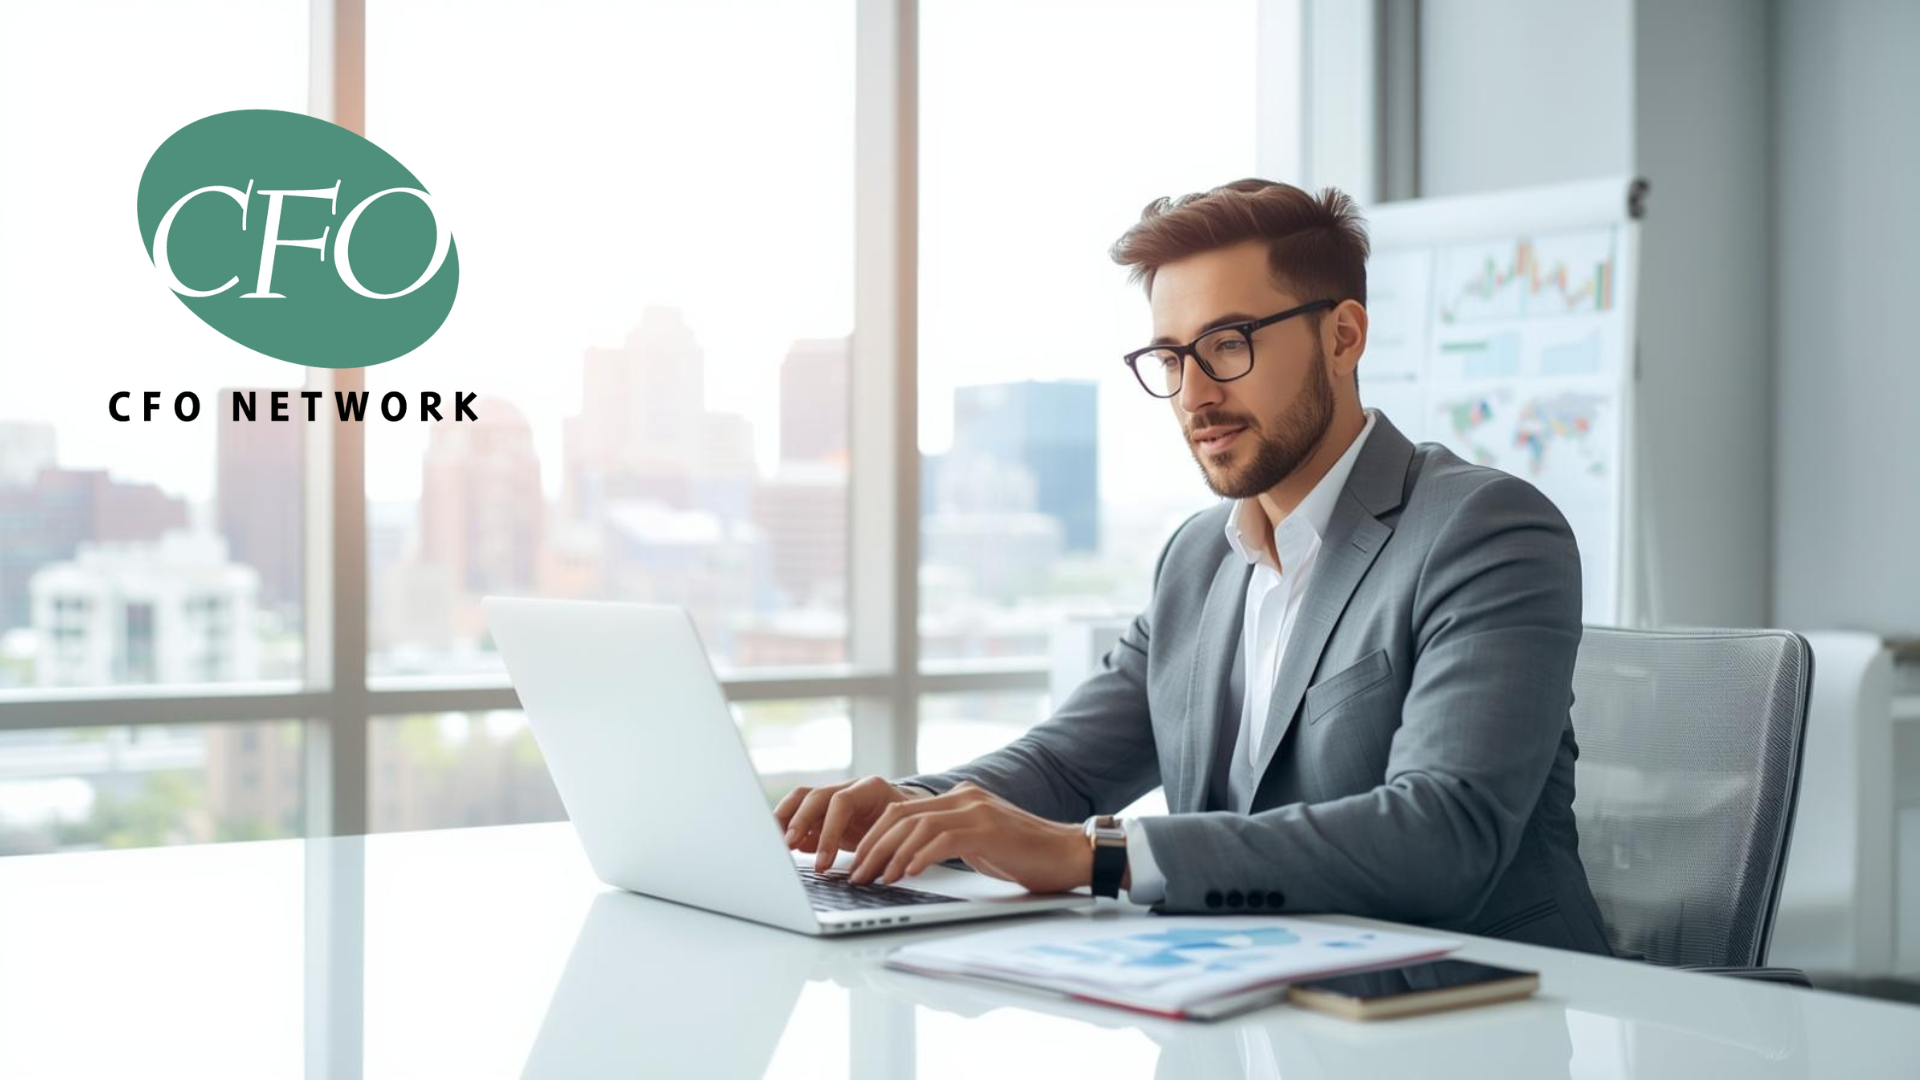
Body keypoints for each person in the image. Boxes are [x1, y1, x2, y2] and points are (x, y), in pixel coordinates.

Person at [775, 178, 1611, 954]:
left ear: (1343, 336)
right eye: (1171, 358)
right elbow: (1067, 766)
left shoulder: (1484, 529)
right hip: (1249, 997)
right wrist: (911, 811)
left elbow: (1444, 833)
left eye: (1228, 343)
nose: (1194, 395)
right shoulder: (1199, 557)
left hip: (1474, 1011)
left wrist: (1093, 856)